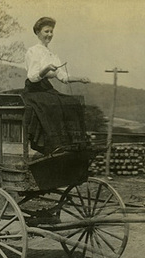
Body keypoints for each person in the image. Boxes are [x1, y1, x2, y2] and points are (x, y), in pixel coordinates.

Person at [22, 17, 90, 155]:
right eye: (46, 31)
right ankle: (54, 144)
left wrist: (80, 79)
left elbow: (63, 77)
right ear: (38, 32)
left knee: (73, 103)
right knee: (52, 105)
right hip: (34, 90)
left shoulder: (51, 54)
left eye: (51, 31)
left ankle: (72, 143)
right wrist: (46, 69)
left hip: (47, 89)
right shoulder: (33, 51)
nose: (49, 35)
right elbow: (33, 77)